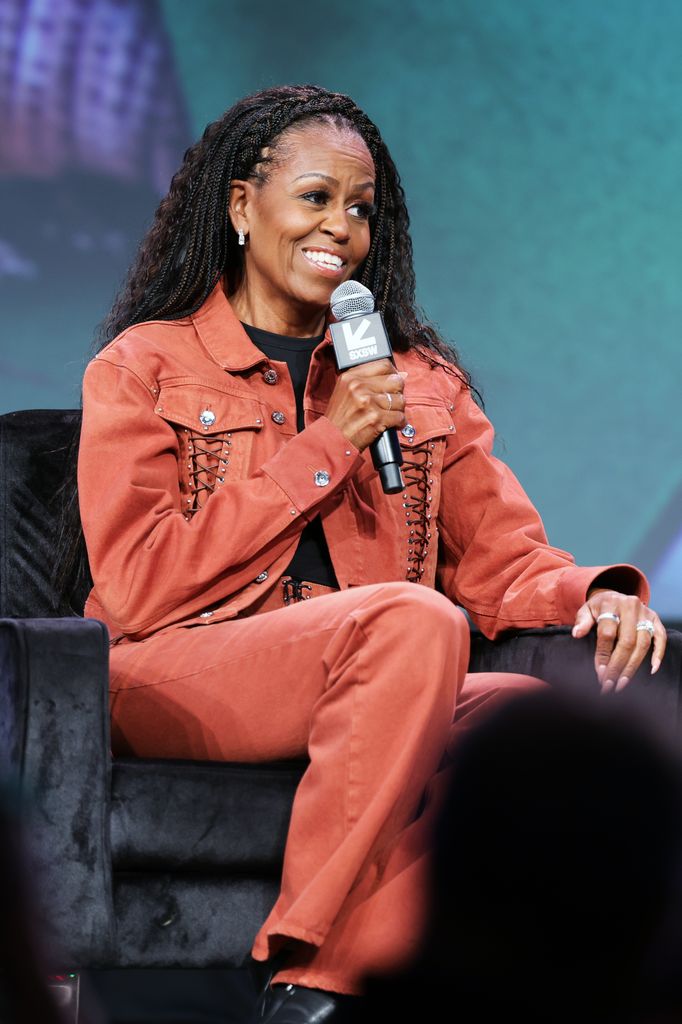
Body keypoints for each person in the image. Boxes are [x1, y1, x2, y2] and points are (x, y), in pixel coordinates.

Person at [75, 84, 666, 1023]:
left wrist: (597, 596)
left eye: (361, 209)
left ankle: (326, 995)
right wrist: (327, 449)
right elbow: (139, 583)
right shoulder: (146, 365)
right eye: (316, 198)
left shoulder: (416, 380)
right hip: (173, 669)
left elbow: (503, 557)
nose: (341, 228)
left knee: (518, 724)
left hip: (375, 664)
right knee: (412, 620)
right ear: (241, 207)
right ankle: (307, 964)